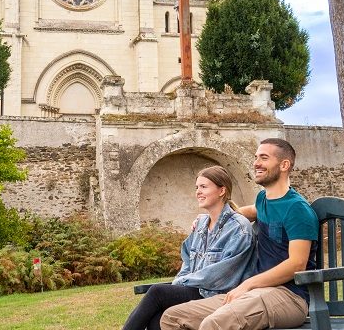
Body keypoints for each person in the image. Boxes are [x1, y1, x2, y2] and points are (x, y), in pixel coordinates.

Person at [160, 138, 319, 330]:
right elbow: (246, 212)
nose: (256, 163)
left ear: (284, 165)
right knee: (172, 317)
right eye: (256, 157)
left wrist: (248, 284)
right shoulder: (263, 200)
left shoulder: (297, 209)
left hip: (289, 297)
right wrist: (209, 219)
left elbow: (297, 264)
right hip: (254, 293)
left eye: (264, 158)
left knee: (215, 324)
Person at [122, 165, 257, 330]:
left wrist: (180, 282)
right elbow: (187, 258)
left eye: (204, 187)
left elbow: (222, 275)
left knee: (157, 292)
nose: (198, 192)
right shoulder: (200, 224)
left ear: (222, 191)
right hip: (196, 289)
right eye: (197, 187)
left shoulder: (239, 228)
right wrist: (181, 281)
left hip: (219, 293)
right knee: (156, 320)